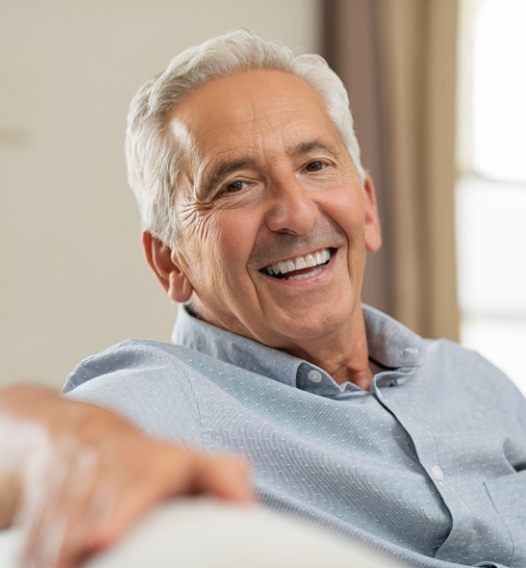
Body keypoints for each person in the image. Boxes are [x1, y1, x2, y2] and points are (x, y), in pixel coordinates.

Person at [1, 30, 525, 568]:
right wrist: (68, 447)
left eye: (315, 166)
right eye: (235, 186)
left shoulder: (469, 378)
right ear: (170, 262)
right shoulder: (171, 394)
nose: (295, 214)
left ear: (367, 207)